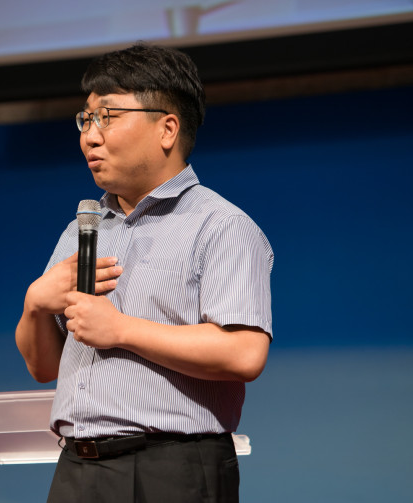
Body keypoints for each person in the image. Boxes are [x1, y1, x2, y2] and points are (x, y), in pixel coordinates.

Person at [15, 43, 273, 503]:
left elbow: (244, 353)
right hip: (76, 467)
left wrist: (121, 330)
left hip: (171, 468)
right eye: (85, 119)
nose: (90, 136)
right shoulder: (82, 229)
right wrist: (35, 304)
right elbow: (43, 367)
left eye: (107, 117)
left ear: (167, 129)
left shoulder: (220, 225)